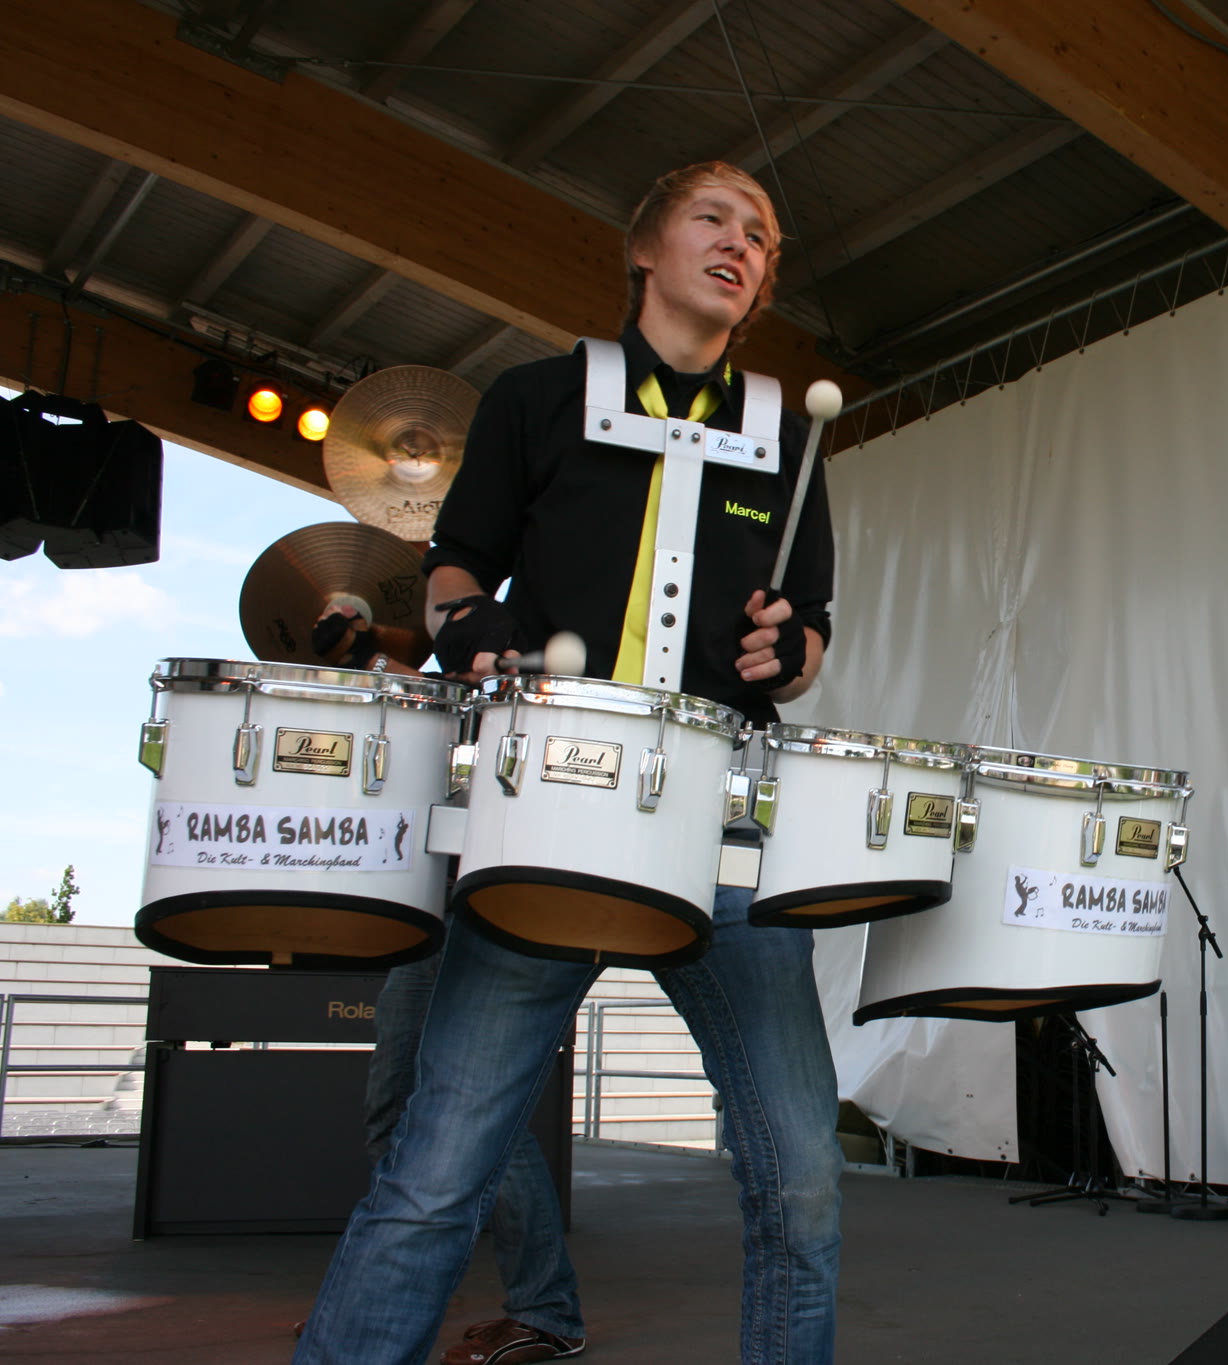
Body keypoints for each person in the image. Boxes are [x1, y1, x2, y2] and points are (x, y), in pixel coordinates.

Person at [295, 161, 842, 1365]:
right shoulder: (536, 399)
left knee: (802, 1179)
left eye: (761, 234)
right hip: (545, 810)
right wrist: (469, 627)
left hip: (723, 827)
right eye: (713, 218)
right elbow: (454, 567)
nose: (740, 243)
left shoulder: (787, 445)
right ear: (643, 248)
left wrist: (790, 650)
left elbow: (806, 635)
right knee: (436, 1173)